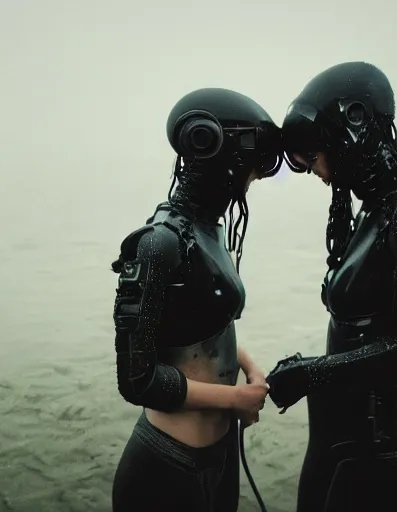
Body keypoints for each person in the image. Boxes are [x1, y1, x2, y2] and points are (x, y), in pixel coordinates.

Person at [267, 61, 397, 512]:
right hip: (336, 447)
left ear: (353, 128)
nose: (316, 171)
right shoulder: (374, 208)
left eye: (314, 157)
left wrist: (310, 373)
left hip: (378, 459)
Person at [109, 87, 282, 512]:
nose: (251, 183)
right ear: (220, 156)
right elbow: (137, 380)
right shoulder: (159, 243)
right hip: (167, 468)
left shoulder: (208, 229)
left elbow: (202, 330)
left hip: (220, 458)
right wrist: (235, 400)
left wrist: (249, 366)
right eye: (252, 172)